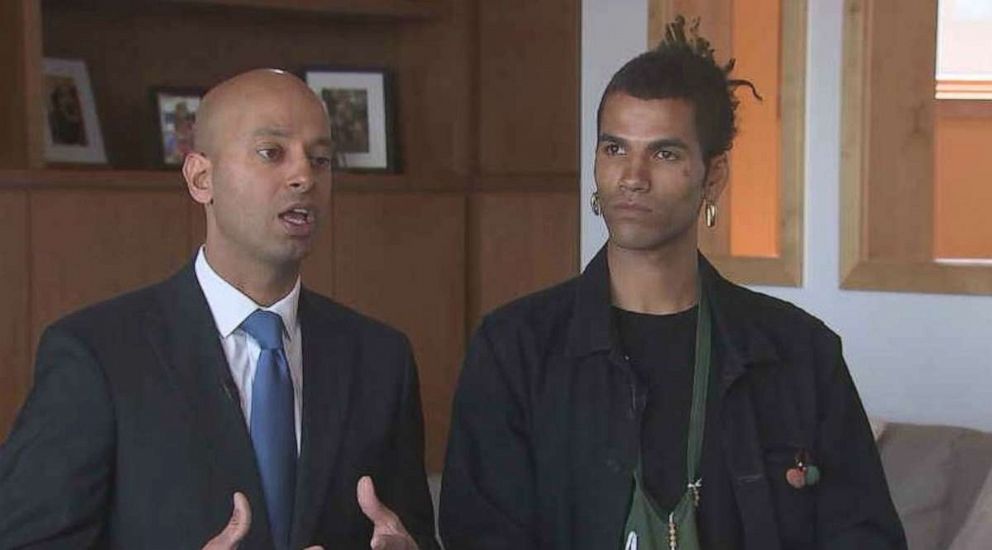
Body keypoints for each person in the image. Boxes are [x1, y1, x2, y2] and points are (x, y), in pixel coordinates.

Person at [439, 17, 906, 550]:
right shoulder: (515, 348)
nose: (632, 176)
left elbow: (865, 534)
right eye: (614, 149)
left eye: (664, 153)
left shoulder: (800, 354)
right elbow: (480, 533)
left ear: (714, 176)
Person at [0, 69, 436, 550]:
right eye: (272, 153)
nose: (304, 177)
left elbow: (409, 530)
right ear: (201, 177)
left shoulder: (379, 358)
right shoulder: (97, 356)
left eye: (321, 159)